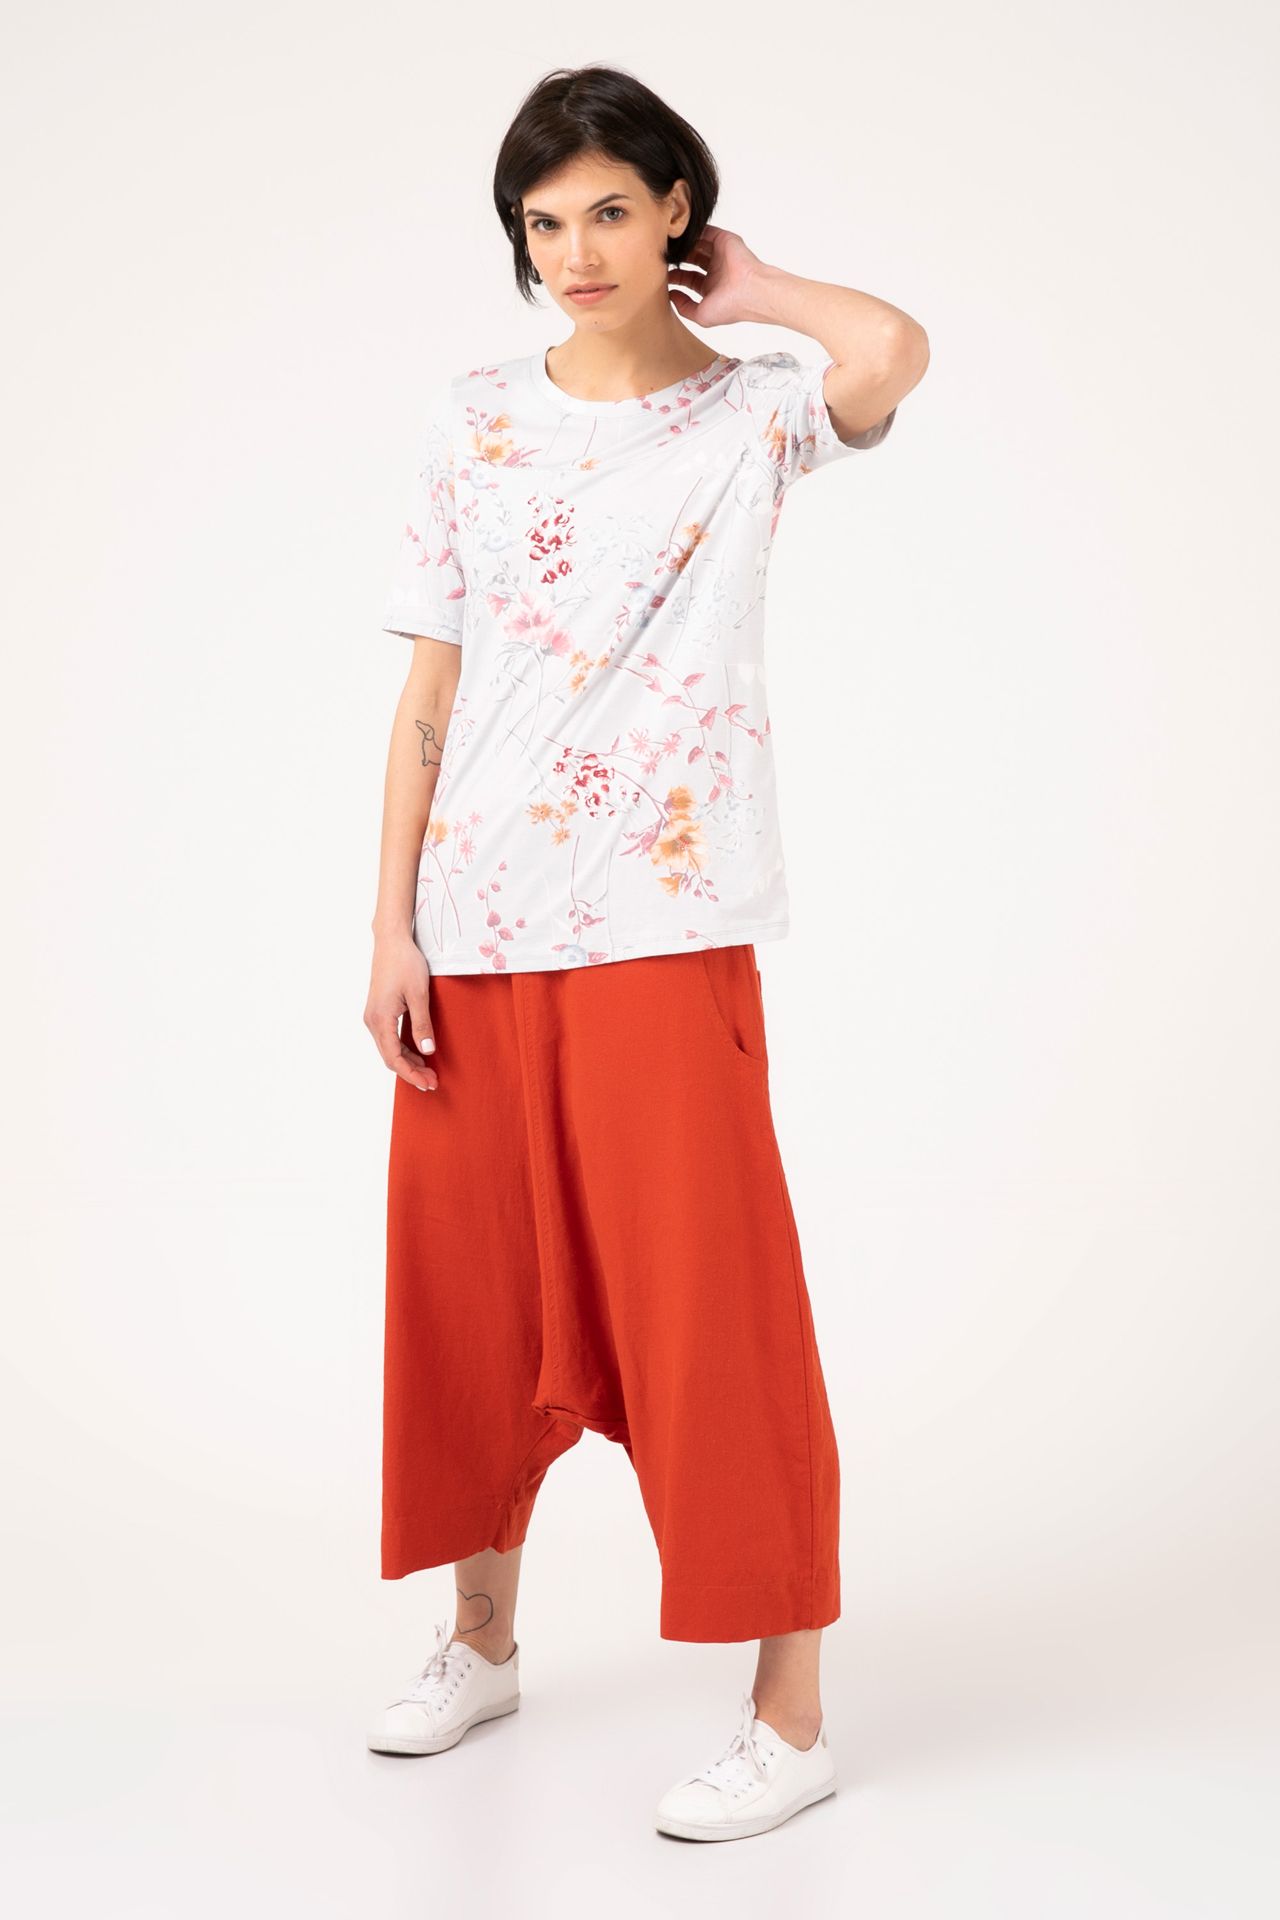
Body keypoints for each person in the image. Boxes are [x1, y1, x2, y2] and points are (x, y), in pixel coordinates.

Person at [362, 63, 929, 1842]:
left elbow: (893, 351)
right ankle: (481, 1640)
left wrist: (759, 292)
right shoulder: (472, 417)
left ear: (677, 209)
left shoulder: (751, 414)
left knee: (710, 1316)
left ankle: (789, 1716)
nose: (577, 251)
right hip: (477, 925)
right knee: (470, 1304)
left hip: (663, 924)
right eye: (545, 223)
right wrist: (388, 922)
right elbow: (431, 684)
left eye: (612, 210)